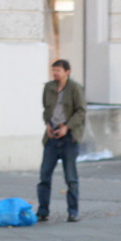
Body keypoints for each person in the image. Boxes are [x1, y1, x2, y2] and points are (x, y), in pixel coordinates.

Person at [37, 59, 86, 222]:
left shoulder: (75, 88)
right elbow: (46, 109)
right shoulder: (49, 87)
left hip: (69, 138)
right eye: (54, 70)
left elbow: (81, 111)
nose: (55, 73)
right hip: (52, 136)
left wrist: (67, 127)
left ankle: (73, 211)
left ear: (67, 72)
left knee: (70, 176)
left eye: (58, 70)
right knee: (44, 175)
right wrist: (48, 125)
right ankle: (43, 210)